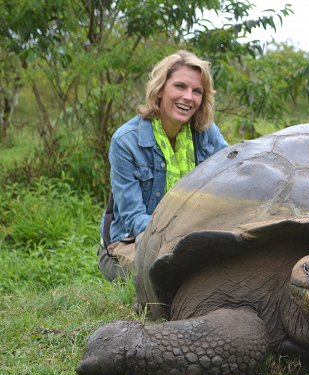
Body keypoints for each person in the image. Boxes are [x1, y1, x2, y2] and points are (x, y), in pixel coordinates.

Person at [97, 50, 229, 282]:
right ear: (159, 90)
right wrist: (189, 232)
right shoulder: (125, 141)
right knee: (174, 274)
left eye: (197, 91)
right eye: (180, 86)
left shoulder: (206, 133)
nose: (188, 97)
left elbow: (234, 173)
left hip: (193, 236)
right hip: (131, 241)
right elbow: (134, 219)